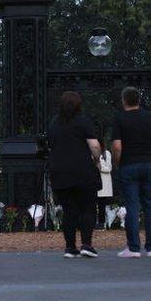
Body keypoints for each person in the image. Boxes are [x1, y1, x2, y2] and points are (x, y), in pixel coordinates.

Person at [47, 91, 102, 258]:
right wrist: (97, 159)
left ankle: (70, 247)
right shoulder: (83, 121)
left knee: (69, 210)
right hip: (82, 170)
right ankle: (86, 244)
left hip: (60, 171)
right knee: (88, 208)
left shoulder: (54, 123)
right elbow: (94, 145)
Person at [111, 87, 151, 258]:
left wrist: (117, 162)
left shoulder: (120, 119)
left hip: (129, 164)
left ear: (124, 100)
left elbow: (117, 146)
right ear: (139, 100)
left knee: (132, 206)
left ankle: (133, 247)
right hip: (149, 162)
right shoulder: (150, 117)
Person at [96, 141, 113, 230]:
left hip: (103, 184)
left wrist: (100, 167)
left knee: (101, 204)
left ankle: (101, 223)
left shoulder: (106, 153)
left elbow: (109, 168)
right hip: (93, 182)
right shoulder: (91, 153)